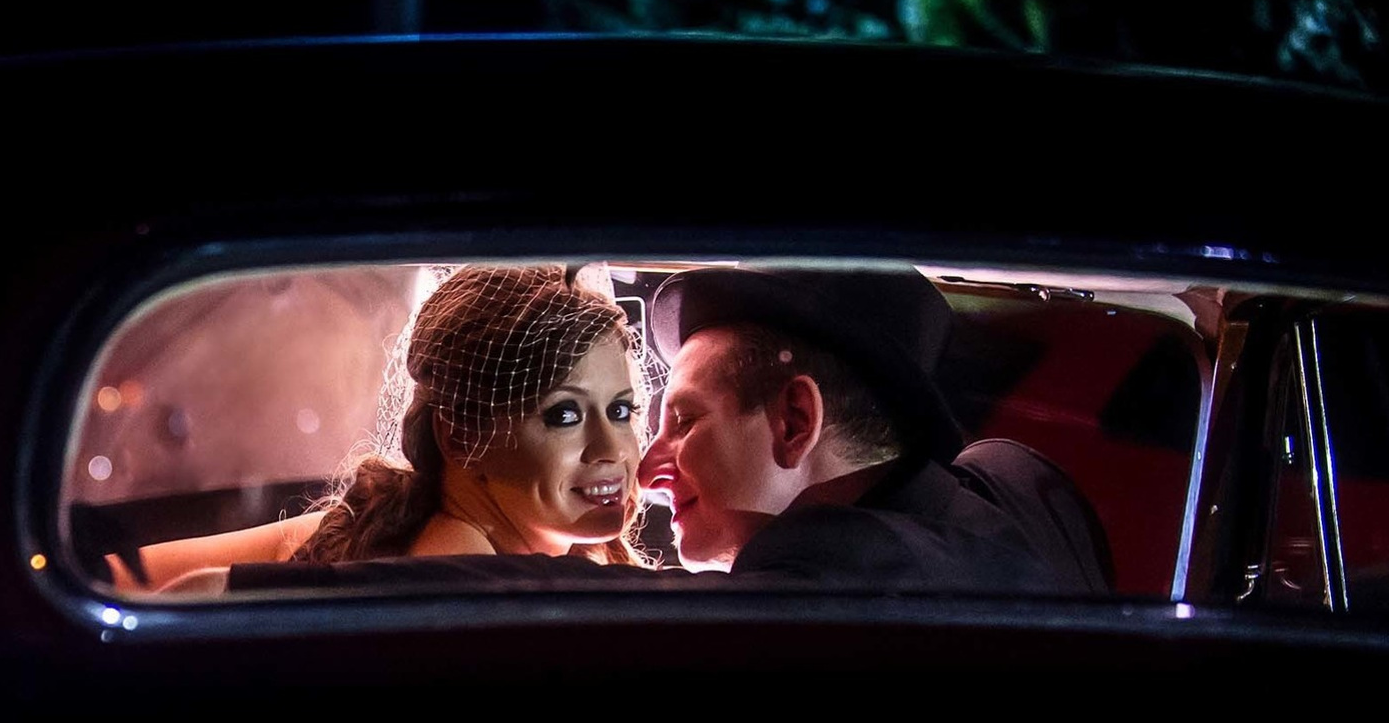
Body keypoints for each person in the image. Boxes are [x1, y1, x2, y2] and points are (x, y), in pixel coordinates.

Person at [223, 264, 1109, 596]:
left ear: (796, 419)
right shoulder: (1019, 486)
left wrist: (244, 595)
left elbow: (531, 608)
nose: (642, 462)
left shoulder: (800, 611)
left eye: (676, 420)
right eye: (570, 414)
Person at [152, 263, 656, 593]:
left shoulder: (374, 522)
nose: (613, 448)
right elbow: (193, 590)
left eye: (621, 411)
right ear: (462, 438)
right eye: (564, 415)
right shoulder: (466, 591)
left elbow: (134, 578)